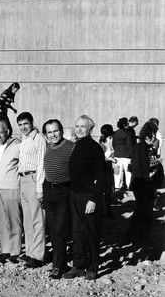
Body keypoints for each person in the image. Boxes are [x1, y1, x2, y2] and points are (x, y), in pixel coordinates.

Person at [63, 115, 105, 281]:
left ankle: (93, 265)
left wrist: (94, 199)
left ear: (90, 129)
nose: (79, 129)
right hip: (74, 194)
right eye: (77, 126)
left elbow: (102, 177)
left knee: (91, 231)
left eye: (83, 126)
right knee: (77, 231)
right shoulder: (76, 145)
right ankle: (78, 265)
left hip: (88, 196)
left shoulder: (95, 148)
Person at [41, 119, 75, 278]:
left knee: (60, 230)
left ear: (61, 130)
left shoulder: (70, 147)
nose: (53, 134)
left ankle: (58, 266)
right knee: (53, 231)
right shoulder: (46, 147)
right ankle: (58, 261)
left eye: (56, 131)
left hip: (64, 192)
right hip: (49, 192)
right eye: (49, 132)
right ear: (45, 135)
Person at [0, 116, 22, 264]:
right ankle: (5, 250)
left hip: (11, 187)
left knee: (14, 220)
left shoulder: (17, 145)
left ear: (7, 131)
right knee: (1, 221)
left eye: (0, 133)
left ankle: (15, 251)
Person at [16, 112, 46, 268]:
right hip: (23, 179)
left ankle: (38, 255)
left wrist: (39, 187)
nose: (23, 127)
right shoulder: (24, 139)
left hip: (34, 179)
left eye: (25, 124)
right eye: (20, 125)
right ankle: (30, 252)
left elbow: (42, 164)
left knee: (37, 219)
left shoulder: (39, 139)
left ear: (32, 122)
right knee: (27, 220)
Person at [127, 122, 163, 244]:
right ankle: (137, 235)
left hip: (148, 184)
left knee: (143, 211)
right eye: (152, 135)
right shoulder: (139, 148)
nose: (154, 138)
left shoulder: (147, 148)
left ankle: (136, 234)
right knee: (143, 211)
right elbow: (139, 168)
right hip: (142, 184)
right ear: (146, 135)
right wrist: (156, 163)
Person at [99, 124, 117, 218]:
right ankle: (105, 212)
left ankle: (108, 211)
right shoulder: (102, 144)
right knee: (106, 191)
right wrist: (111, 159)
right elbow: (101, 158)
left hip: (109, 167)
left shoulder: (108, 141)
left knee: (108, 191)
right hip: (105, 168)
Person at [112, 117, 133, 190]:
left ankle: (117, 186)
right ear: (124, 124)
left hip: (117, 154)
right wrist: (131, 155)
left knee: (117, 171)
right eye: (127, 123)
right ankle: (129, 186)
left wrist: (116, 150)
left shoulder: (116, 132)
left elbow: (113, 144)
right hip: (126, 155)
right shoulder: (128, 133)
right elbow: (129, 145)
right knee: (128, 172)